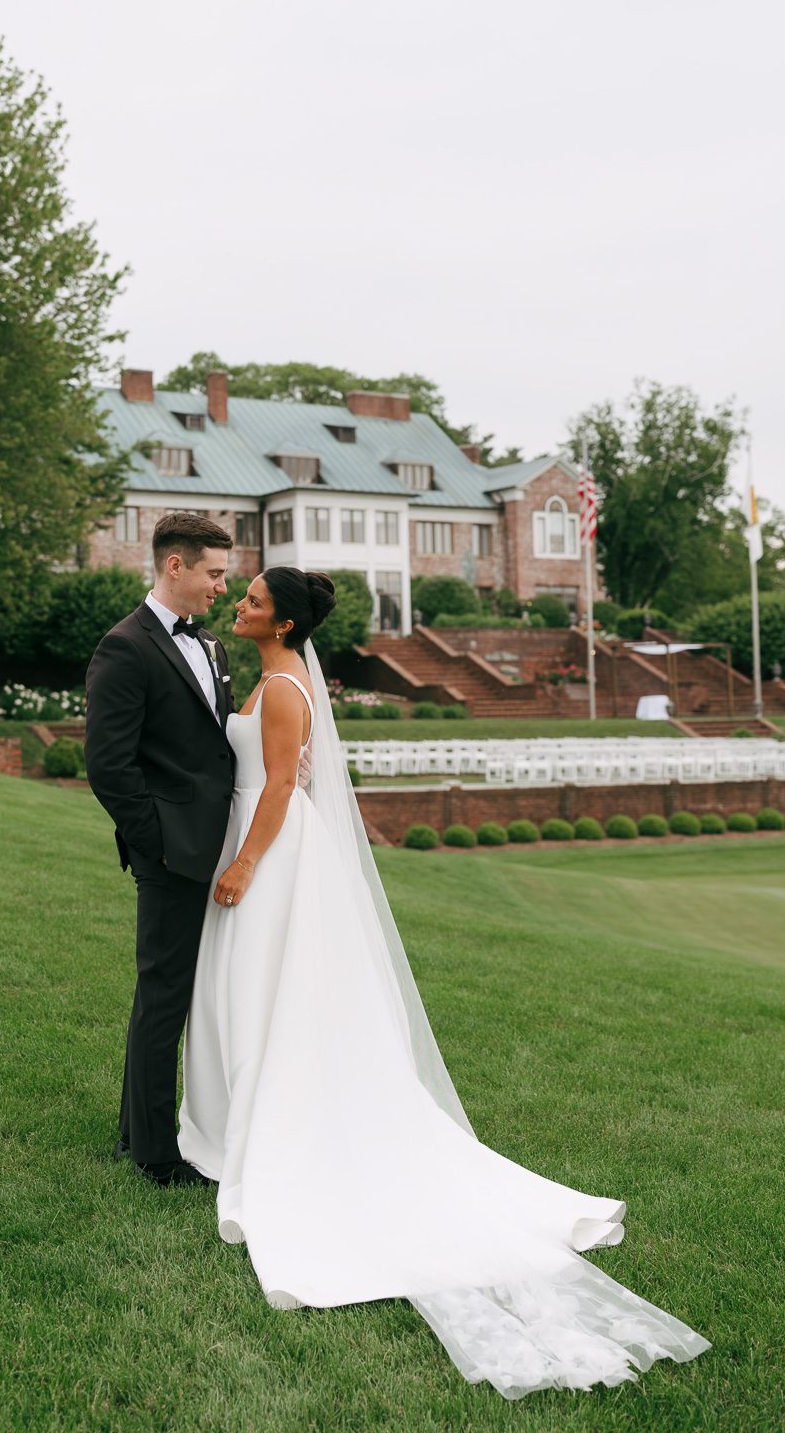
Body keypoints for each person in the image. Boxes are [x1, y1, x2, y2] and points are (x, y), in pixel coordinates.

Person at [177, 565, 713, 1399]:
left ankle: (259, 1126)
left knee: (264, 992)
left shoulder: (283, 692)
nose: (237, 606)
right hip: (266, 848)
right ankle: (236, 1117)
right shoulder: (271, 675)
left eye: (250, 601)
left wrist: (246, 861)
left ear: (282, 625)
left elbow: (282, 785)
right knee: (254, 993)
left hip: (273, 857)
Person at [84, 511, 236, 1186]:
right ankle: (154, 1153)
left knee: (189, 995)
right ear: (175, 566)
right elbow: (108, 767)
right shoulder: (125, 647)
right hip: (173, 855)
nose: (222, 588)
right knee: (164, 995)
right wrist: (160, 846)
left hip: (218, 847)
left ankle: (137, 1129)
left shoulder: (210, 646)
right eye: (214, 573)